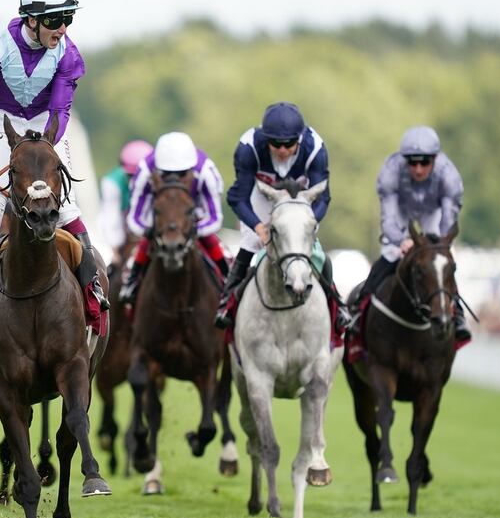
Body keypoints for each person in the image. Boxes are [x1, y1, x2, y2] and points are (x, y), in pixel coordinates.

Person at [0, 0, 107, 322]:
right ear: (31, 20)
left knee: (67, 209)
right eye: (53, 20)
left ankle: (93, 290)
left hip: (47, 125)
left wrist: (44, 142)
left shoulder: (68, 55)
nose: (62, 29)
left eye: (67, 20)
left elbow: (61, 110)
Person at [214, 101, 350, 329]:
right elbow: (237, 197)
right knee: (250, 244)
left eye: (289, 144)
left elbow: (323, 196)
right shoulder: (249, 148)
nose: (283, 150)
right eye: (276, 144)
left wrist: (309, 224)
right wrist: (258, 227)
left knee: (315, 251)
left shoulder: (315, 148)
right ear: (266, 139)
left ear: (300, 138)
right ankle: (227, 304)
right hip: (261, 198)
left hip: (300, 199)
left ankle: (337, 305)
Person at [347, 125, 470, 341]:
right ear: (405, 161)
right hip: (401, 211)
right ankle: (359, 309)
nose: (418, 169)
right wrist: (401, 241)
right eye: (412, 162)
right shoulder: (390, 173)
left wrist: (438, 245)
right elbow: (389, 219)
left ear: (435, 159)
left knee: (438, 261)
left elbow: (448, 222)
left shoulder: (450, 177)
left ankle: (457, 313)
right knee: (390, 254)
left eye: (425, 162)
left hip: (433, 212)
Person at [119, 132, 227, 304]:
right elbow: (136, 218)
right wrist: (151, 230)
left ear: (190, 168)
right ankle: (131, 282)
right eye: (165, 173)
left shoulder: (206, 171)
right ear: (158, 169)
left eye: (182, 173)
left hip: (193, 213)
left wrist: (192, 230)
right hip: (160, 217)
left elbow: (214, 218)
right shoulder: (145, 171)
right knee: (145, 241)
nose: (173, 178)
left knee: (212, 240)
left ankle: (228, 280)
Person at [100, 140, 153, 264]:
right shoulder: (112, 183)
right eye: (131, 176)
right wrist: (115, 250)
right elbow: (111, 218)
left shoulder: (159, 180)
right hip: (125, 233)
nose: (136, 181)